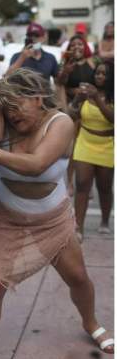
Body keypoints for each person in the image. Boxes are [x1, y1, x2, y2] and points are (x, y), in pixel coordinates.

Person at [0, 69, 114, 359]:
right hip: (4, 213)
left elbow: (37, 165)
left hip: (51, 216)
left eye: (16, 106)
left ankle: (91, 322)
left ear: (36, 98)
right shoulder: (4, 118)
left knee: (78, 277)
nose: (11, 115)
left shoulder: (60, 122)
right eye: (6, 108)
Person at [70, 62, 113, 240]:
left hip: (107, 144)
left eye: (103, 74)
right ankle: (78, 227)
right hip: (85, 141)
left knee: (104, 187)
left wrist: (97, 99)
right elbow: (71, 115)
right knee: (82, 184)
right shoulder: (86, 95)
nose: (99, 76)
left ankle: (104, 220)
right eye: (97, 73)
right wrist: (77, 100)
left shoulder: (111, 95)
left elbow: (113, 118)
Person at [58, 34, 97, 103]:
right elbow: (60, 85)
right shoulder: (65, 64)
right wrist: (65, 72)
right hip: (71, 103)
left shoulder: (92, 62)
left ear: (85, 47)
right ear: (69, 49)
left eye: (80, 44)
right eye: (73, 45)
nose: (76, 47)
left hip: (91, 103)